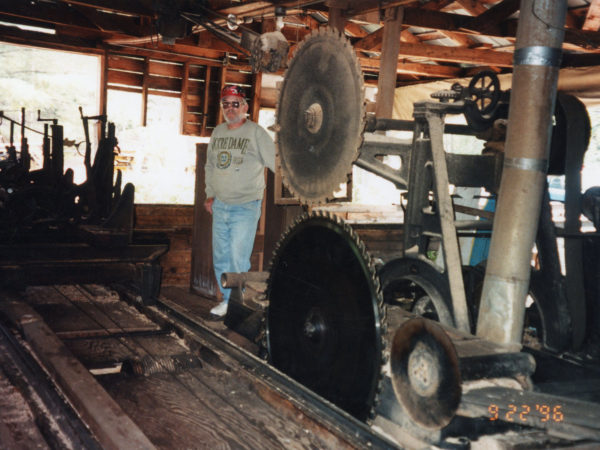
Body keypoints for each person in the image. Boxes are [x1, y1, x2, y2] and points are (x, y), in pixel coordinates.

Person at [204, 85, 275, 319]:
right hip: (221, 204)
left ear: (245, 106)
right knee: (220, 256)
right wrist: (210, 193)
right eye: (226, 103)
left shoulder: (256, 133)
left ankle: (237, 304)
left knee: (237, 256)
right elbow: (211, 165)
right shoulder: (218, 133)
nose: (230, 108)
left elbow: (276, 162)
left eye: (235, 103)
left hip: (245, 206)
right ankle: (227, 301)